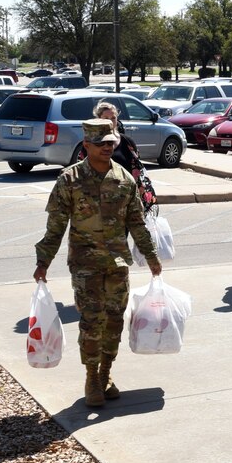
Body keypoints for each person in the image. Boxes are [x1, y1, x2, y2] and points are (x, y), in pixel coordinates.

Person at [33, 119, 162, 407]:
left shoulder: (124, 179)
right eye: (101, 142)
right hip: (85, 263)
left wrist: (151, 256)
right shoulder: (69, 179)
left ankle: (106, 373)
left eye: (111, 142)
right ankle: (91, 377)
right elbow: (56, 226)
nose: (107, 146)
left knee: (114, 320)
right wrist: (43, 261)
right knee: (92, 321)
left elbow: (137, 223)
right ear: (86, 144)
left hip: (117, 263)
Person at [92, 101, 157, 212]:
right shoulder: (91, 144)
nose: (110, 121)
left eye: (113, 118)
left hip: (126, 205)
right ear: (98, 119)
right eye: (106, 118)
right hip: (100, 206)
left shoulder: (127, 143)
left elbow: (138, 172)